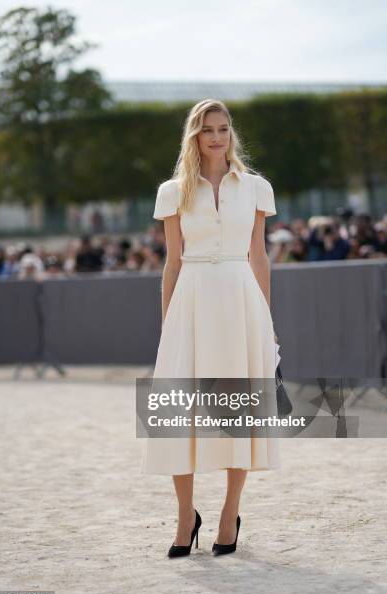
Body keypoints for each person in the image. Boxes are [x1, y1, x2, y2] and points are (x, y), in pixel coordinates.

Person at [140, 99, 281, 558]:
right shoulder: (172, 191)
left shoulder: (256, 188)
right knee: (181, 413)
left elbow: (259, 257)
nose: (217, 137)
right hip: (191, 302)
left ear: (231, 133)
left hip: (242, 302)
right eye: (207, 130)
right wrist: (168, 327)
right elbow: (172, 263)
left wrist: (267, 320)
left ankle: (228, 514)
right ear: (194, 136)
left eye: (223, 128)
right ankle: (186, 516)